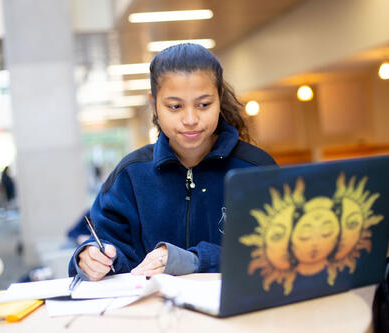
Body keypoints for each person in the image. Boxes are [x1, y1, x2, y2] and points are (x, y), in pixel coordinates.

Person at [68, 43, 276, 281]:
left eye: (203, 105)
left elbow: (280, 253)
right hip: (150, 315)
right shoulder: (131, 176)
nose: (190, 119)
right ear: (154, 104)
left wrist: (194, 261)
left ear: (219, 99)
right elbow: (109, 247)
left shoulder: (255, 169)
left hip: (236, 314)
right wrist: (89, 258)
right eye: (175, 106)